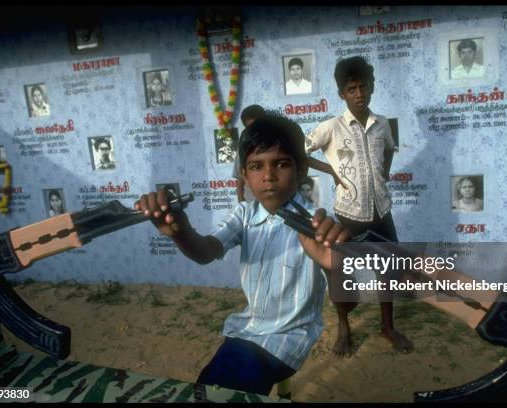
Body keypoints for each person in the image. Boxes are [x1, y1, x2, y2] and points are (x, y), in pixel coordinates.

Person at [135, 114, 351, 396]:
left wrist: (335, 266)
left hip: (289, 337)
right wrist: (179, 231)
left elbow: (348, 295)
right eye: (256, 166)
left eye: (281, 164)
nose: (268, 176)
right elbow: (206, 251)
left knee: (218, 387)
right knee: (211, 383)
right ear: (245, 177)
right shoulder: (244, 215)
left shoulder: (317, 224)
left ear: (300, 171)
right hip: (247, 330)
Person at [305, 56, 413, 356]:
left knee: (388, 271)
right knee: (342, 276)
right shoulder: (331, 127)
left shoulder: (382, 125)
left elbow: (389, 150)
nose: (359, 94)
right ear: (342, 93)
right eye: (351, 89)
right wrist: (330, 171)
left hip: (382, 213)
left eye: (363, 87)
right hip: (349, 216)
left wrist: (383, 175)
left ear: (372, 87)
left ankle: (387, 327)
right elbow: (300, 152)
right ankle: (344, 328)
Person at [233, 105, 266, 202]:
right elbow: (240, 178)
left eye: (258, 125)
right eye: (251, 127)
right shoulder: (244, 148)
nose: (256, 129)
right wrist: (240, 201)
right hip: (252, 203)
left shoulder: (279, 144)